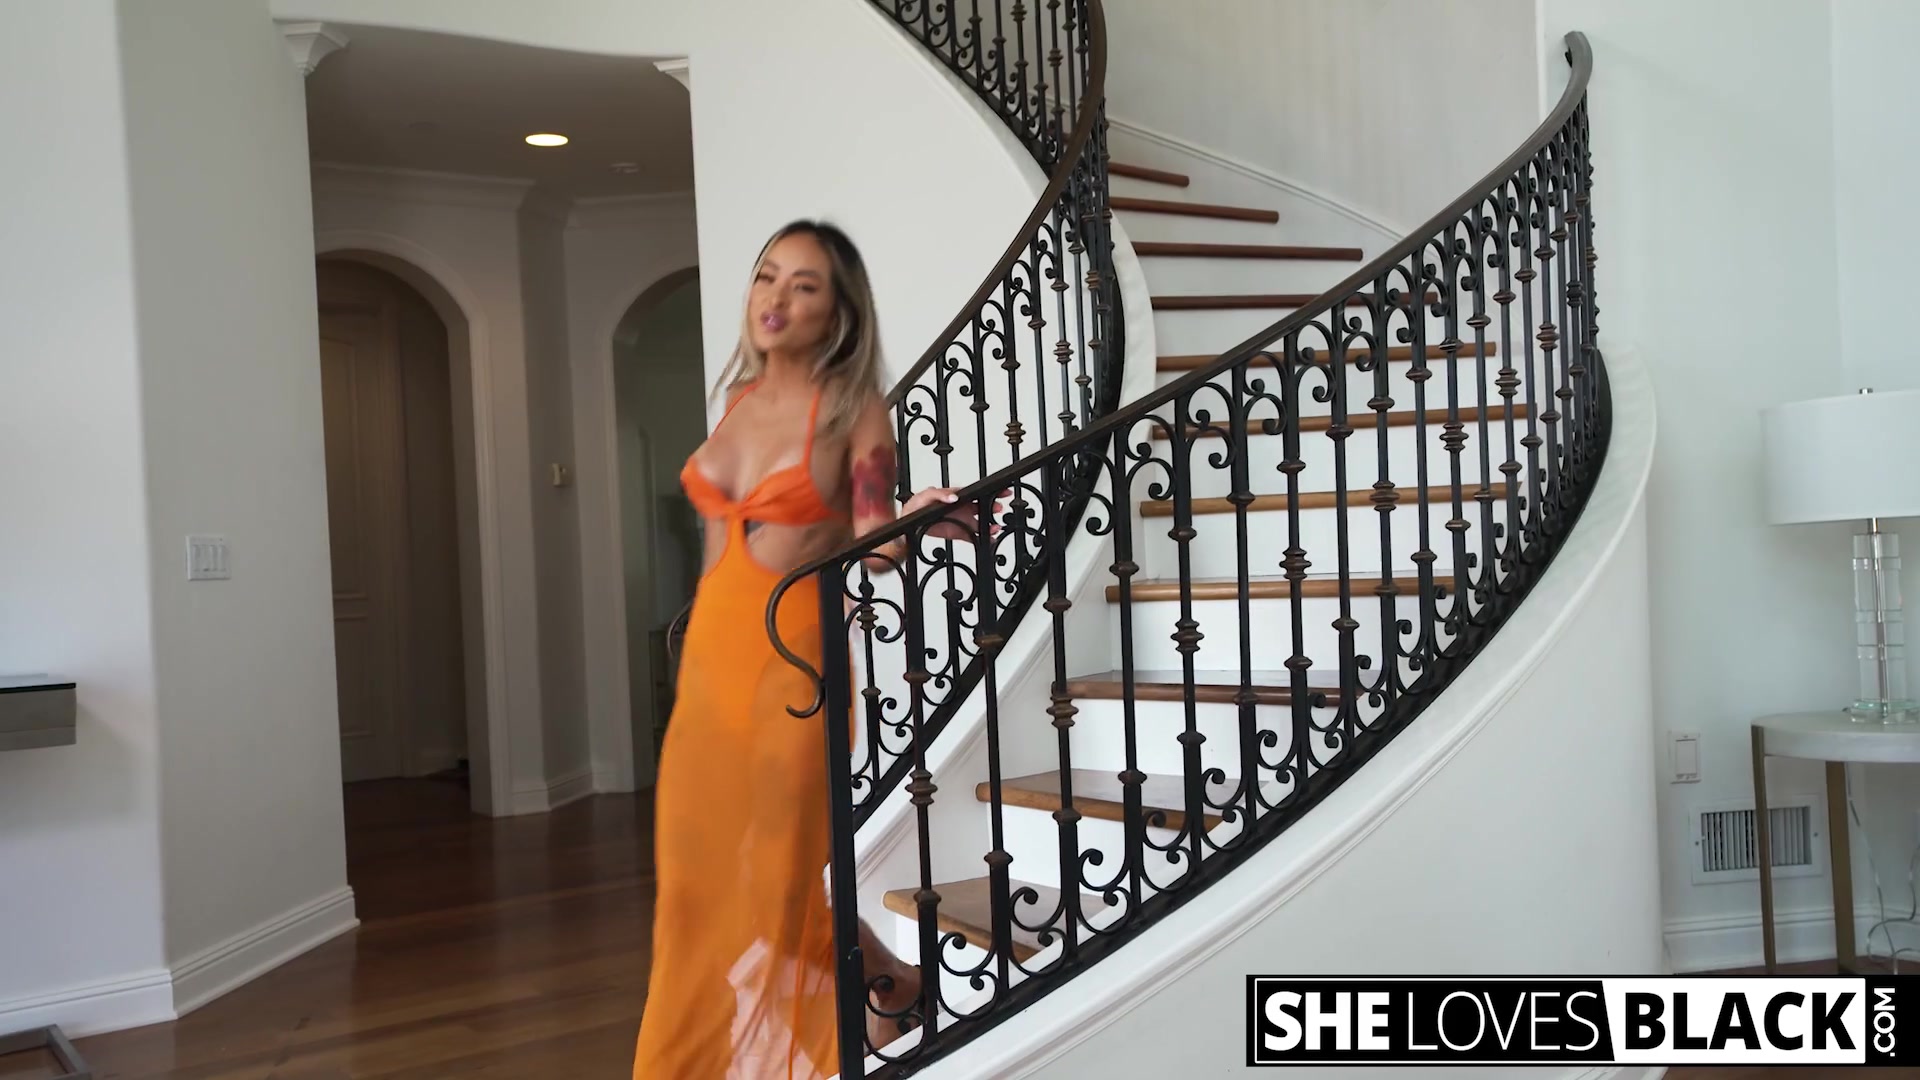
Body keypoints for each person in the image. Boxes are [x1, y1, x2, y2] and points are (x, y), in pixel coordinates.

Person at [633, 220, 985, 1078]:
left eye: (805, 285)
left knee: (775, 884)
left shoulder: (856, 410)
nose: (777, 299)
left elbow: (874, 540)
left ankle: (870, 995)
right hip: (712, 668)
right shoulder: (737, 403)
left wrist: (913, 518)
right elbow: (716, 555)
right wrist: (690, 665)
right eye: (767, 277)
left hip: (793, 665)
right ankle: (893, 985)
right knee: (691, 892)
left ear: (839, 312)